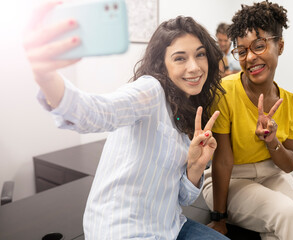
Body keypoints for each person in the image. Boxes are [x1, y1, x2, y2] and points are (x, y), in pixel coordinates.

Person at [23, 2, 230, 240]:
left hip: (169, 226)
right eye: (180, 58)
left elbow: (182, 199)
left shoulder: (190, 109)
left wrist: (194, 167)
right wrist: (46, 77)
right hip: (123, 230)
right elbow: (97, 112)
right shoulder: (151, 89)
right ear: (162, 64)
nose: (194, 67)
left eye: (200, 54)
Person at [202, 1, 293, 239]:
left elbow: (288, 165)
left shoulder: (291, 102)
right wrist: (219, 217)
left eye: (259, 46)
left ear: (280, 45)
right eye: (242, 51)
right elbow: (223, 161)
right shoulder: (224, 92)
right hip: (231, 179)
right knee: (288, 214)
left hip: (274, 174)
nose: (251, 58)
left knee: (289, 220)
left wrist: (272, 141)